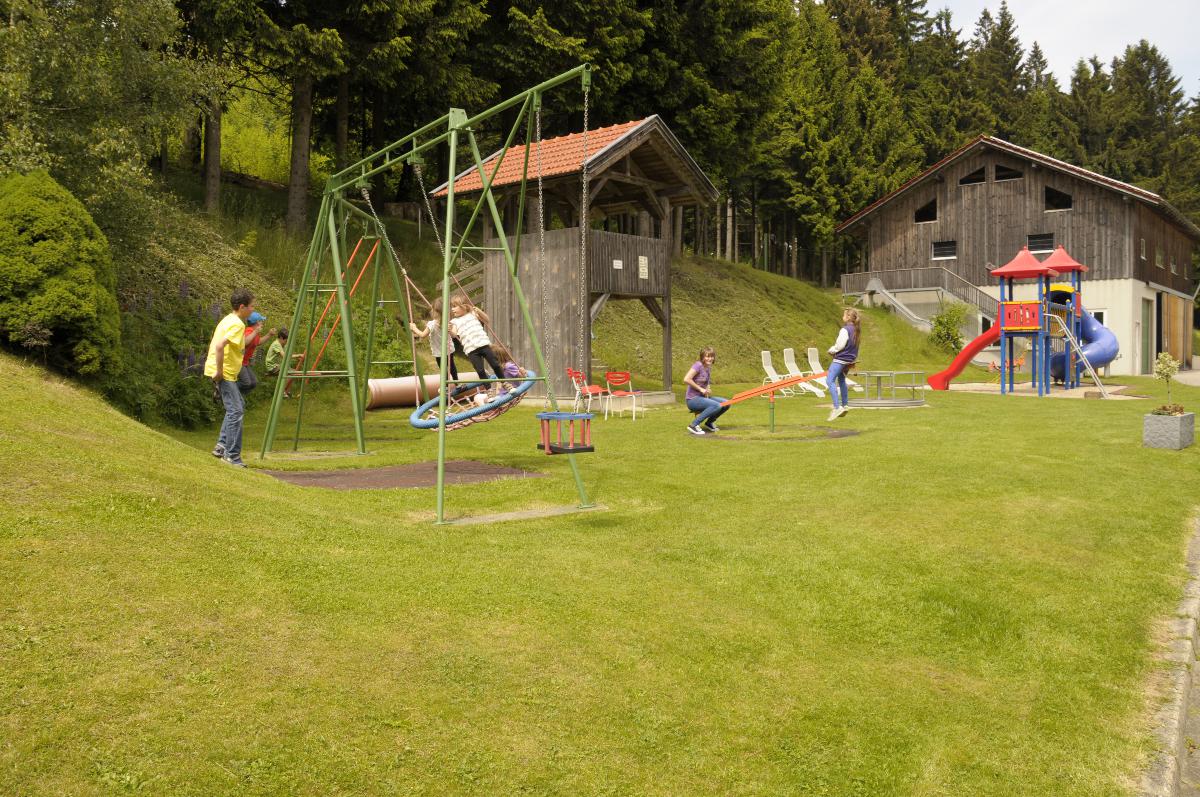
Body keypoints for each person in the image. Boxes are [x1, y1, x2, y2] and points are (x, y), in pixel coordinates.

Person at [204, 288, 255, 467]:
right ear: (242, 307)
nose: (253, 310)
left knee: (237, 406)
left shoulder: (228, 319)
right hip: (223, 372)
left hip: (226, 372)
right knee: (236, 411)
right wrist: (219, 372)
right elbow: (219, 346)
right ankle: (231, 456)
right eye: (251, 306)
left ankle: (221, 446)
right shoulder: (237, 324)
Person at [447, 292, 504, 386]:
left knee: (495, 364)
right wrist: (450, 331)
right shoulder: (454, 321)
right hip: (471, 349)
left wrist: (480, 312)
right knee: (480, 370)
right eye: (452, 307)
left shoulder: (473, 314)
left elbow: (487, 320)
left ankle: (504, 382)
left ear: (464, 306)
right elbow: (454, 335)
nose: (452, 309)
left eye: (455, 306)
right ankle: (488, 389)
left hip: (483, 344)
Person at [683, 346, 729, 435]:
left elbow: (706, 383)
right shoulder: (698, 365)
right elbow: (686, 379)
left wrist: (707, 389)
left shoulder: (708, 368)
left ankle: (709, 423)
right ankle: (693, 425)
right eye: (707, 356)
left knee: (726, 403)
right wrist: (701, 389)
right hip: (692, 399)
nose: (710, 358)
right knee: (716, 405)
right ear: (702, 357)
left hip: (702, 398)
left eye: (712, 356)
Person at [826, 307, 861, 422]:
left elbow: (840, 346)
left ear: (848, 317)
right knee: (841, 380)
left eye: (844, 315)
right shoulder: (856, 329)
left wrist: (832, 350)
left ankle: (837, 407)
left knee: (829, 380)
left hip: (841, 359)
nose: (842, 316)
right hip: (850, 360)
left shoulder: (845, 329)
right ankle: (845, 405)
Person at [411, 304, 459, 381]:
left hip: (439, 352)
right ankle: (457, 382)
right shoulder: (447, 322)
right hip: (449, 350)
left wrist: (414, 328)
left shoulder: (432, 324)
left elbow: (422, 335)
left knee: (444, 370)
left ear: (438, 312)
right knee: (452, 367)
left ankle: (446, 386)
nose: (431, 311)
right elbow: (454, 335)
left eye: (432, 310)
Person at [237, 311, 275, 395]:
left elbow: (258, 342)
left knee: (253, 383)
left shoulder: (254, 333)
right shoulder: (249, 331)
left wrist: (269, 334)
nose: (262, 323)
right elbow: (245, 342)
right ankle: (226, 390)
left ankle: (238, 397)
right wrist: (255, 332)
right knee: (246, 383)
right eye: (261, 321)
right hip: (239, 362)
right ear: (257, 322)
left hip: (245, 362)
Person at [264, 326, 303, 397]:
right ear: (281, 338)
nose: (286, 342)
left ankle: (286, 391)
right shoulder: (276, 344)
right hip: (272, 367)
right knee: (290, 373)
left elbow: (288, 354)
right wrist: (298, 355)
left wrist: (296, 357)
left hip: (277, 365)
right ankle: (282, 391)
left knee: (293, 372)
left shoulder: (282, 344)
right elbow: (284, 356)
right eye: (286, 340)